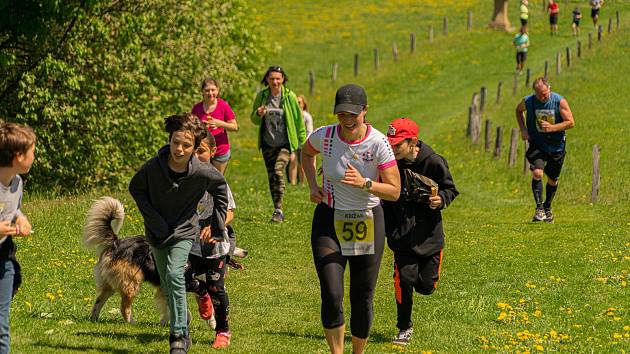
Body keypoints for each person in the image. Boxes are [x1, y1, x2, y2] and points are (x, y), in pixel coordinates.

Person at [302, 84, 400, 354]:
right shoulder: (325, 135)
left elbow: (394, 191)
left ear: (365, 111)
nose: (347, 118)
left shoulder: (379, 142)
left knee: (362, 295)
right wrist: (312, 185)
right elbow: (305, 152)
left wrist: (366, 183)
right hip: (329, 219)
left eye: (353, 113)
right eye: (341, 113)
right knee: (332, 293)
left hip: (367, 220)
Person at [129, 113, 228, 354]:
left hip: (184, 231)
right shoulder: (153, 168)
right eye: (175, 142)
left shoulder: (202, 172)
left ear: (194, 147)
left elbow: (221, 190)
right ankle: (183, 330)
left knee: (175, 274)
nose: (179, 149)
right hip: (157, 234)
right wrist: (153, 220)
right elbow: (136, 188)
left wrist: (217, 226)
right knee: (169, 282)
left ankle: (179, 336)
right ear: (169, 140)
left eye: (186, 145)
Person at [381, 118, 458, 346]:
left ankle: (421, 281)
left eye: (397, 145)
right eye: (390, 144)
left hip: (429, 236)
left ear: (412, 142)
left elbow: (450, 189)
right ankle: (404, 327)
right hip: (401, 235)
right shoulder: (388, 163)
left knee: (426, 286)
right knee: (404, 278)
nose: (392, 149)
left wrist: (440, 199)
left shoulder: (432, 162)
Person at [184, 132, 236, 349]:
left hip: (215, 246)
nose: (197, 155)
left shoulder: (217, 180)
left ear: (213, 152)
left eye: (202, 151)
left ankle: (223, 331)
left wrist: (216, 226)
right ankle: (201, 291)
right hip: (190, 245)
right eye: (193, 150)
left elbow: (231, 211)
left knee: (217, 287)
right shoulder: (184, 178)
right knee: (179, 277)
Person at [250, 66, 307, 222]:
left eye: (278, 78)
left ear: (283, 79)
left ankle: (279, 208)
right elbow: (253, 120)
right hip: (268, 144)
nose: (275, 81)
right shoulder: (262, 96)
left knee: (278, 171)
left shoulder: (290, 97)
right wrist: (258, 114)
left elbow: (298, 121)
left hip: (285, 144)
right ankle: (277, 209)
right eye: (272, 78)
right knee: (271, 176)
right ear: (267, 79)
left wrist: (302, 143)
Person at [515, 77, 575, 223]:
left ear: (549, 88)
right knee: (537, 172)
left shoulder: (559, 101)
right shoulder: (528, 101)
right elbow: (518, 111)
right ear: (534, 92)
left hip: (557, 146)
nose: (542, 97)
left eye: (545, 93)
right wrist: (523, 129)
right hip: (537, 144)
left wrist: (553, 128)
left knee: (552, 180)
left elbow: (571, 123)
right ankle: (539, 208)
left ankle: (548, 207)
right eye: (539, 94)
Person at [0, 123, 35, 354]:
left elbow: (14, 210)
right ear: (18, 156)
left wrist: (20, 219)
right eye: (32, 151)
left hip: (3, 258)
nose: (34, 156)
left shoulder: (17, 183)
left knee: (1, 324)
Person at [191, 78, 238, 175]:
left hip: (220, 149)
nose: (210, 93)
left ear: (218, 90)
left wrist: (219, 123)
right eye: (207, 90)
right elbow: (192, 128)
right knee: (202, 178)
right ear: (202, 92)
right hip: (202, 150)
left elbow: (234, 127)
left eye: (213, 90)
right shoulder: (197, 108)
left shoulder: (223, 105)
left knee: (217, 179)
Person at [288, 94, 314, 185]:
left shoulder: (307, 116)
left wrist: (305, 143)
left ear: (303, 104)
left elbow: (309, 131)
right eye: (296, 102)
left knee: (302, 164)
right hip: (294, 144)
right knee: (293, 161)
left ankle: (302, 183)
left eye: (299, 102)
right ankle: (292, 183)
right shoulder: (291, 116)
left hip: (303, 144)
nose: (297, 104)